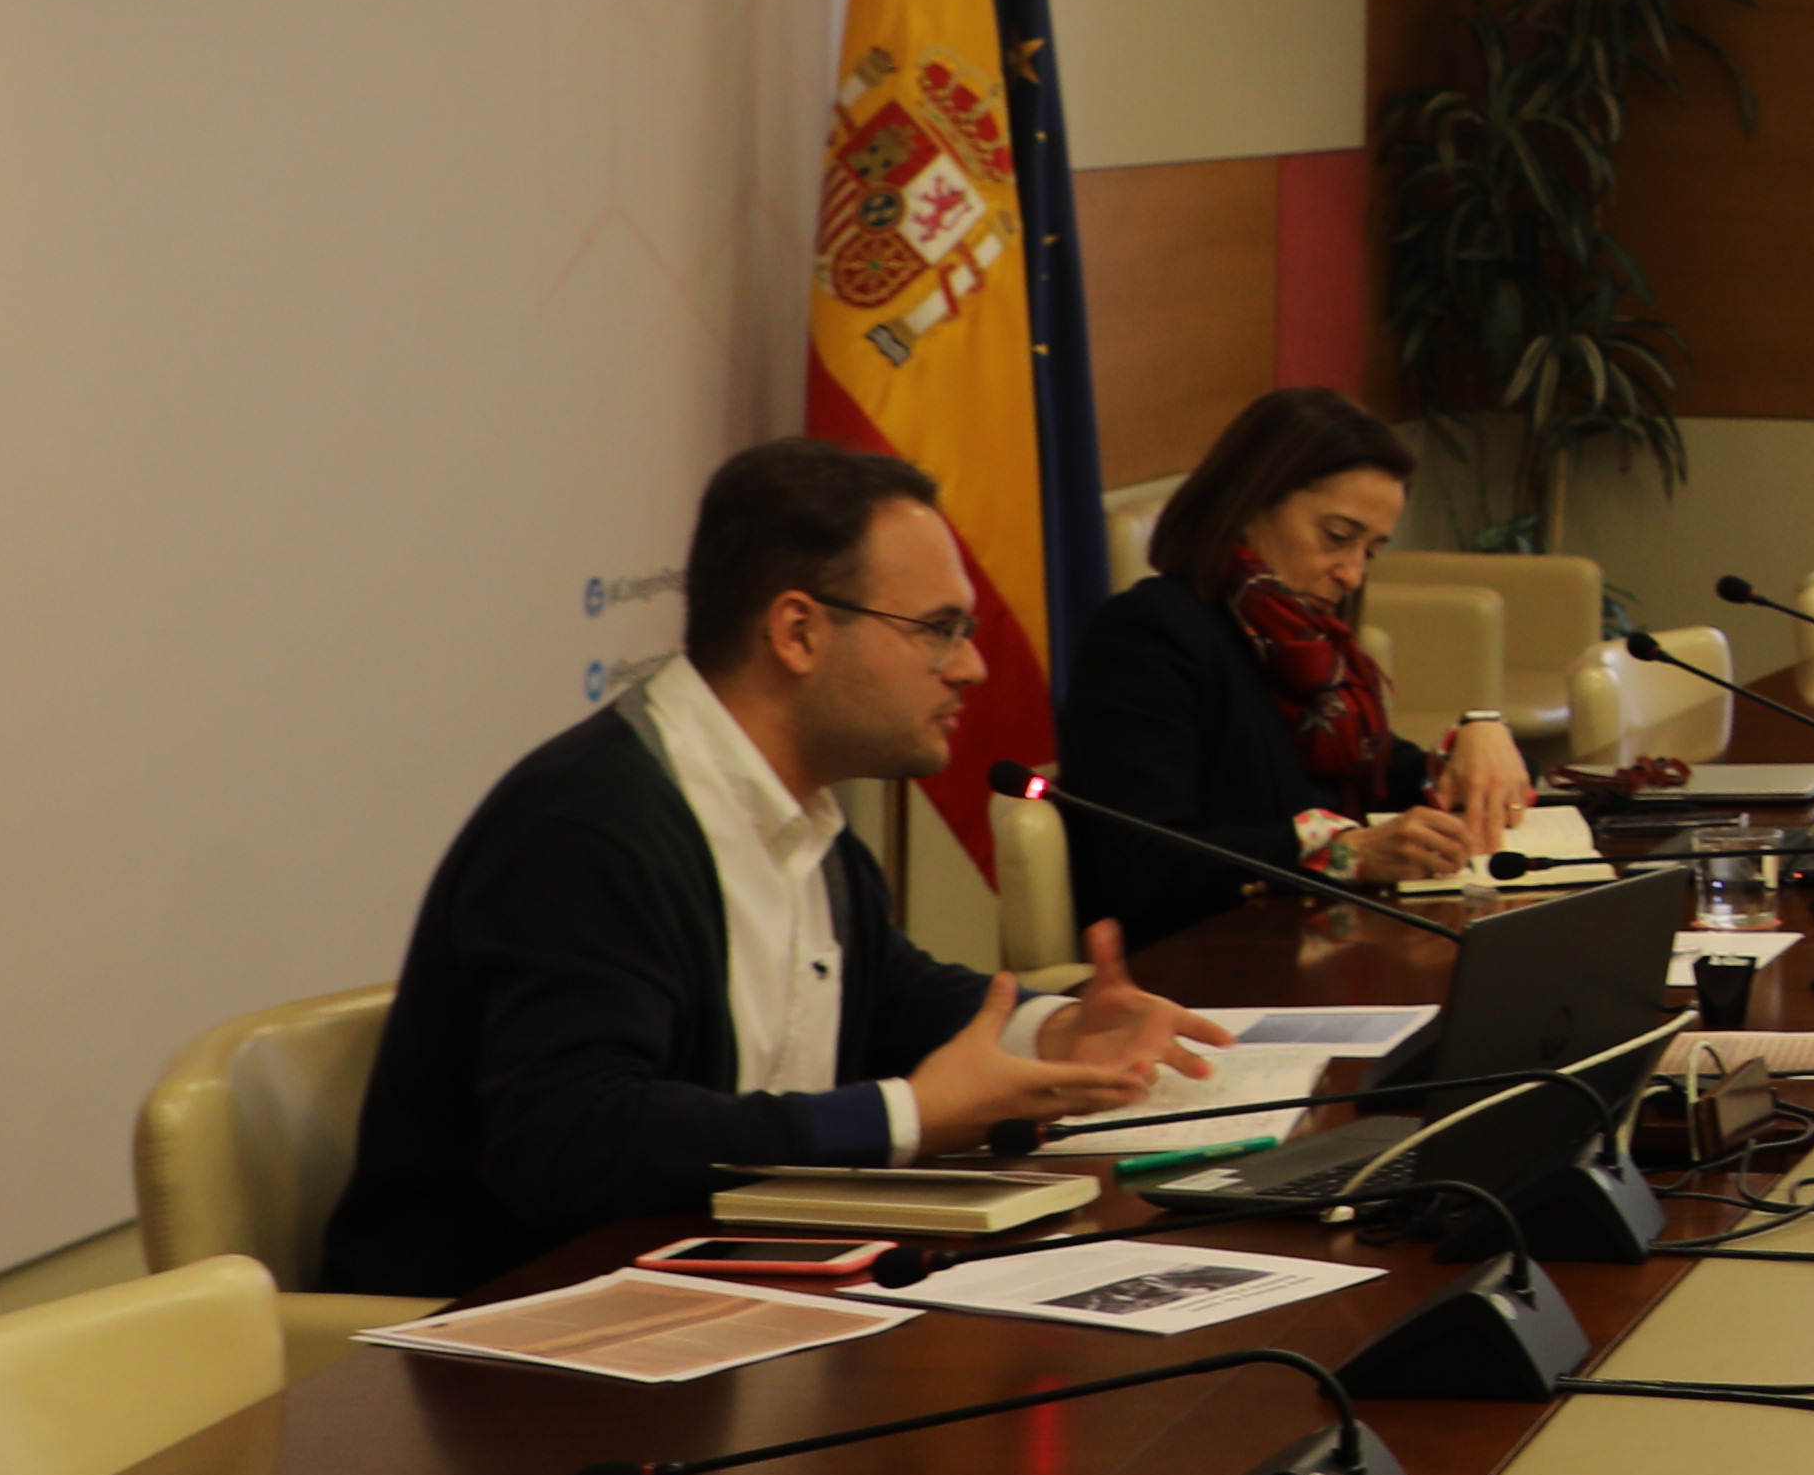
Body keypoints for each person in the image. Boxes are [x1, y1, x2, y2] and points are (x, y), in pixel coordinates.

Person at [321, 438, 1219, 1299]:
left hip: (699, 1304)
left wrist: (1053, 1033)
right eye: (939, 629)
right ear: (797, 631)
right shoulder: (587, 828)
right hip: (490, 1365)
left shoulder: (801, 817)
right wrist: (904, 1118)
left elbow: (892, 996)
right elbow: (574, 1142)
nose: (972, 667)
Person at [1056, 385, 1538, 941]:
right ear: (1249, 502)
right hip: (1206, 967)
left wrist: (1477, 739)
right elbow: (1142, 864)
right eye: (1337, 536)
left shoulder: (1305, 644)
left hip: (1319, 945)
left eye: (1371, 551)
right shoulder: (1149, 633)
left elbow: (1383, 778)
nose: (1353, 573)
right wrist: (1340, 852)